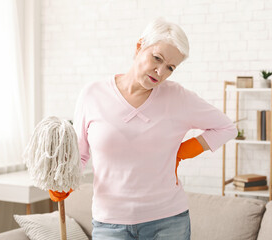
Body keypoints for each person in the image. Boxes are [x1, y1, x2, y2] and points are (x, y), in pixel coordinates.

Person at [70, 18, 237, 239]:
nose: (160, 71)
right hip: (110, 223)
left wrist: (186, 150)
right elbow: (80, 155)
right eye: (157, 58)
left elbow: (226, 127)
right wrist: (64, 183)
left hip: (168, 222)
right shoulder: (92, 95)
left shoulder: (178, 97)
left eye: (170, 67)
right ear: (139, 47)